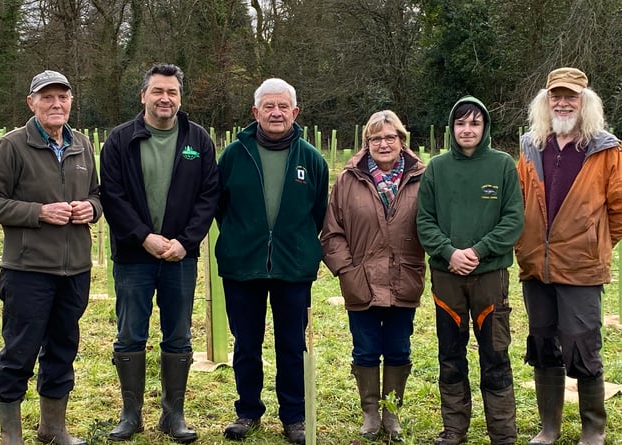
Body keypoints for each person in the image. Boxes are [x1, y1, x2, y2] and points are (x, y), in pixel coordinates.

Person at [0, 70, 101, 445]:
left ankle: (53, 429)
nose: (56, 104)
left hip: (75, 268)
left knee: (64, 347)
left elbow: (98, 194)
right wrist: (38, 213)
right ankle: (10, 434)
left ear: (71, 103)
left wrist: (91, 209)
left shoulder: (82, 145)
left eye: (62, 97)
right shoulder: (12, 145)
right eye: (47, 97)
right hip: (27, 270)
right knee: (19, 350)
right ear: (31, 103)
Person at [99, 63, 219, 443]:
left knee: (179, 335)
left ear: (180, 98)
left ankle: (173, 415)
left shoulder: (198, 140)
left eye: (172, 92)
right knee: (130, 333)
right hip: (135, 256)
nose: (164, 98)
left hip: (180, 257)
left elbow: (208, 196)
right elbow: (112, 196)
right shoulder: (120, 140)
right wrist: (143, 237)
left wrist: (186, 241)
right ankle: (130, 414)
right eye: (157, 91)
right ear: (143, 96)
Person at [215, 78, 329, 444]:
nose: (276, 113)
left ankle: (293, 416)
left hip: (293, 268)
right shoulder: (234, 155)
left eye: (283, 106)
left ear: (295, 112)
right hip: (242, 267)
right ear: (255, 112)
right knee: (246, 343)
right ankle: (247, 411)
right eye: (269, 106)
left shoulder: (312, 159)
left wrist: (295, 245)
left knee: (292, 344)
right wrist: (244, 240)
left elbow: (319, 212)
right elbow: (221, 208)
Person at [515, 67, 622, 445]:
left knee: (582, 344)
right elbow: (519, 202)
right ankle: (549, 428)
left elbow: (618, 209)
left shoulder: (605, 149)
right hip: (534, 265)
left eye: (571, 96)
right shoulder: (531, 145)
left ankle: (593, 428)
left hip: (581, 267)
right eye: (556, 96)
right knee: (543, 343)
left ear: (585, 102)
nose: (563, 102)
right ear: (545, 102)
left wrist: (594, 242)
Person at [416, 96, 524, 445]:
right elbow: (424, 222)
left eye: (474, 123)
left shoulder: (503, 165)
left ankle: (503, 433)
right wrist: (450, 252)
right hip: (447, 277)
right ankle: (454, 429)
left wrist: (477, 251)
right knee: (450, 354)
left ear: (485, 127)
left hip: (490, 277)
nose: (467, 130)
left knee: (495, 353)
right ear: (452, 128)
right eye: (461, 123)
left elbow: (513, 221)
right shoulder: (436, 168)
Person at [320, 110, 426, 442]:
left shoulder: (422, 178)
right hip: (360, 282)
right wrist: (347, 270)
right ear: (367, 142)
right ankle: (370, 412)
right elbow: (332, 233)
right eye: (376, 138)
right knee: (365, 350)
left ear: (402, 141)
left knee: (398, 350)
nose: (383, 144)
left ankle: (391, 412)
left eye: (390, 137)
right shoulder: (348, 180)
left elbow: (433, 227)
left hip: (403, 280)